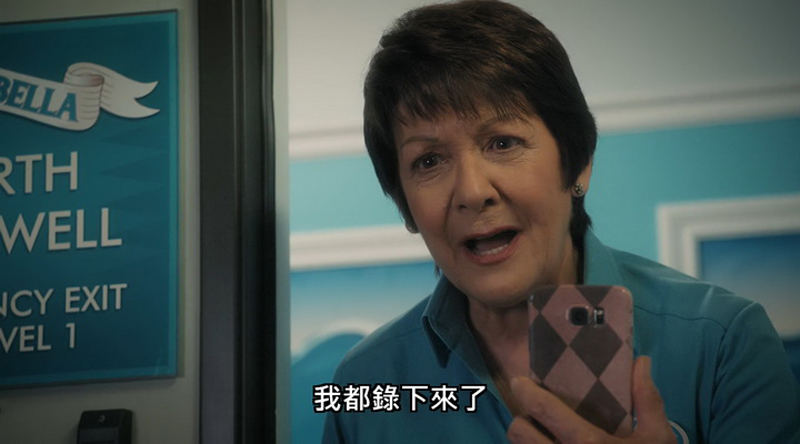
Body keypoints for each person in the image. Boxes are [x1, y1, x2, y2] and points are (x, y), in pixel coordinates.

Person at [322, 1, 800, 443]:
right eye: (428, 161)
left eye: (503, 143)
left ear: (578, 164)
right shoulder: (366, 383)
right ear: (405, 205)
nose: (471, 191)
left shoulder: (722, 342)